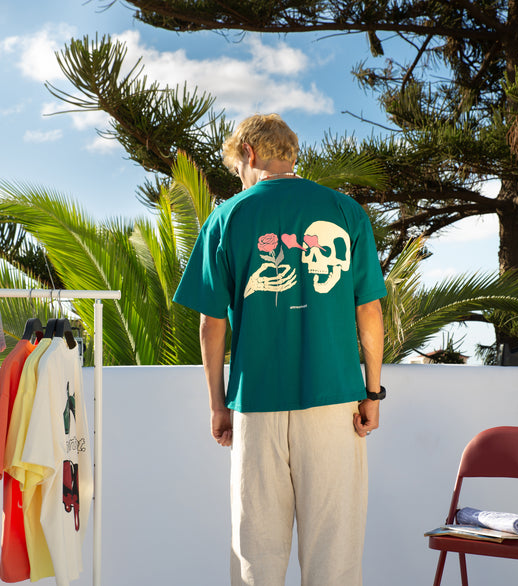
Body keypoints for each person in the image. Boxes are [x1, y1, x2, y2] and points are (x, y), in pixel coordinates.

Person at [173, 113, 387, 586]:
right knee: (335, 553)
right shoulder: (346, 211)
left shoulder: (226, 218)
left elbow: (211, 323)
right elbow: (369, 311)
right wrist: (372, 393)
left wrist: (218, 405)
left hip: (256, 405)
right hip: (335, 401)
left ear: (249, 154)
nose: (240, 179)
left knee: (256, 555)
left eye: (237, 170)